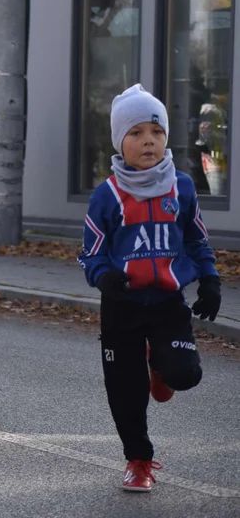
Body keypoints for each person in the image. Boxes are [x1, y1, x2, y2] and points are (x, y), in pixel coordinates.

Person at [78, 84, 221, 493]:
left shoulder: (183, 187)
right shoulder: (106, 196)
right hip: (121, 305)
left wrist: (209, 279)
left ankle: (160, 363)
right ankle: (138, 461)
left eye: (156, 132)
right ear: (120, 141)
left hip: (165, 303)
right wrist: (103, 276)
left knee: (185, 375)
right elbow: (91, 255)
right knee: (126, 391)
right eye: (137, 133)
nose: (149, 141)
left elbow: (195, 240)